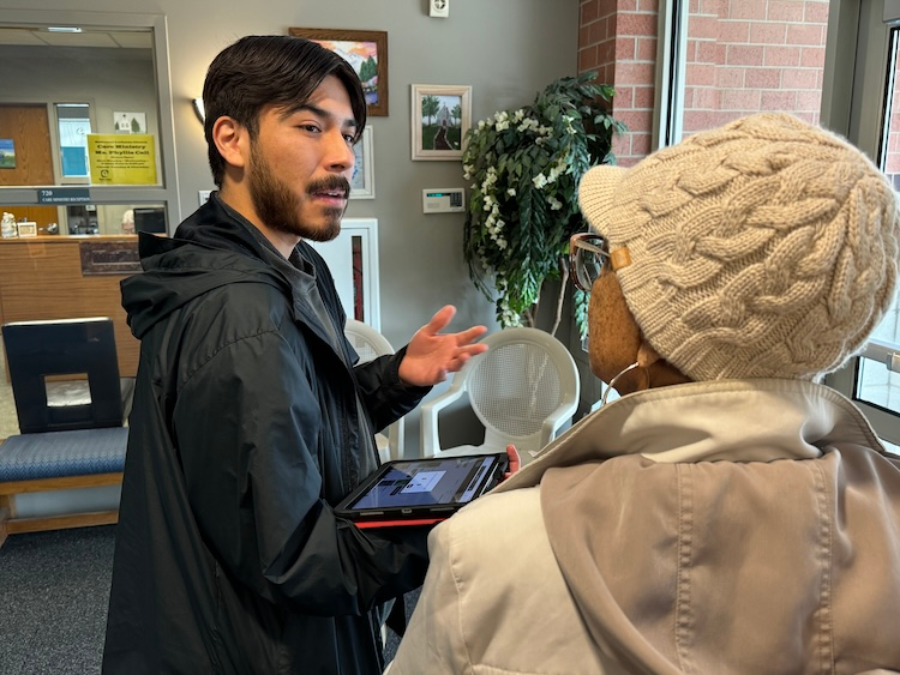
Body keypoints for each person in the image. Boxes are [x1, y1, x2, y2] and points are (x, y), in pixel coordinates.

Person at [387, 113, 900, 674]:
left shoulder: (483, 554)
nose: (598, 279)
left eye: (606, 251)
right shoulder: (889, 545)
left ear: (657, 326)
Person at [102, 35, 490, 675]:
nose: (342, 157)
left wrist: (398, 377)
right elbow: (298, 560)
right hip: (264, 648)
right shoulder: (242, 315)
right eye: (310, 127)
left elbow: (298, 422)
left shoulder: (294, 265)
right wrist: (455, 520)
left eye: (348, 135)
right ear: (232, 140)